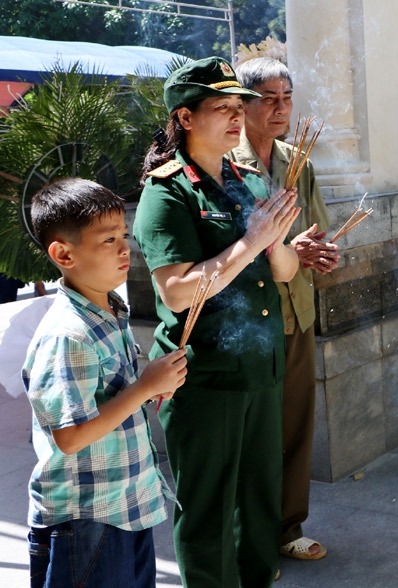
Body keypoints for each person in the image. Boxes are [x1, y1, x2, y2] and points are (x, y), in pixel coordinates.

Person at [133, 56, 300, 587]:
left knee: (258, 504)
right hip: (206, 376)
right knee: (208, 512)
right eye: (221, 108)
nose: (237, 116)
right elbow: (178, 292)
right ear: (184, 118)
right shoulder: (168, 191)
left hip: (261, 367)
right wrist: (251, 239)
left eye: (238, 106)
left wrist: (276, 241)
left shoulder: (248, 180)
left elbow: (287, 268)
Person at [23, 177, 188, 588]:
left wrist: (150, 386)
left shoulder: (111, 311)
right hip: (85, 520)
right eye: (107, 239)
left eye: (124, 235)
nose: (123, 248)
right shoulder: (68, 334)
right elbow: (71, 437)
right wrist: (143, 389)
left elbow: (114, 397)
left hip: (125, 507)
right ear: (63, 253)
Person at [230, 57, 338, 562]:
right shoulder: (223, 162)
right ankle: (249, 539)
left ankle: (287, 527)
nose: (280, 108)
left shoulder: (299, 161)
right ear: (243, 103)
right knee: (253, 431)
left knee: (295, 424)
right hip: (251, 317)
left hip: (297, 309)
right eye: (268, 98)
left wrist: (318, 251)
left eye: (286, 98)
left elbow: (313, 232)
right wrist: (287, 249)